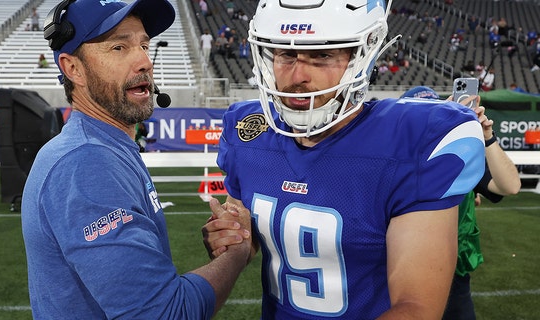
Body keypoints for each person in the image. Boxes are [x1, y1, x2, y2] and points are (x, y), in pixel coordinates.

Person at [201, 0, 486, 318]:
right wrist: (235, 238)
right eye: (285, 53)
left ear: (364, 54)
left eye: (322, 55)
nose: (299, 75)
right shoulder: (250, 131)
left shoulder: (412, 140)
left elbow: (416, 308)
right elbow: (246, 232)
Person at [21, 0, 251, 319]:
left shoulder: (104, 145)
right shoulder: (86, 162)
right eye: (119, 47)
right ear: (72, 68)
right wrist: (237, 253)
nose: (144, 60)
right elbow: (165, 314)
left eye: (144, 44)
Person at [401, 86, 521, 320]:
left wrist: (487, 136)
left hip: (453, 274)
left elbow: (510, 186)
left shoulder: (457, 157)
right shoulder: (391, 158)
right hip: (401, 269)